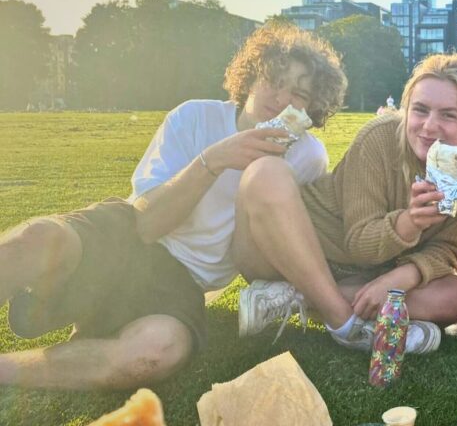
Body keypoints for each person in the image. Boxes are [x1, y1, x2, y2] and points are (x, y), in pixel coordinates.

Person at [0, 23, 347, 390]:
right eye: (273, 79)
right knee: (37, 239)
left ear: (312, 108)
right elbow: (146, 224)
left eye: (299, 93)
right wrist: (213, 160)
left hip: (184, 283)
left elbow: (294, 240)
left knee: (154, 353)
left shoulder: (308, 156)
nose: (280, 97)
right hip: (126, 237)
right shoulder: (193, 117)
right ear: (250, 77)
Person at [234, 53, 457, 354]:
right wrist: (410, 222)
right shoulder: (379, 138)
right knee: (266, 174)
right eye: (420, 110)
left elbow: (451, 248)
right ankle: (349, 323)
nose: (429, 127)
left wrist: (399, 279)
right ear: (405, 111)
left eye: (449, 115)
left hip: (373, 272)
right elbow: (359, 242)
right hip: (304, 252)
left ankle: (294, 297)